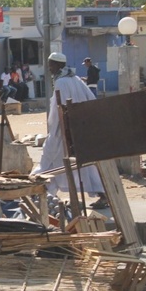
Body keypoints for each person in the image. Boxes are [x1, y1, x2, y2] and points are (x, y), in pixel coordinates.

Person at [31, 52, 108, 209]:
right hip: (78, 129)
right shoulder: (75, 79)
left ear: (59, 65)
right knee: (82, 163)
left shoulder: (61, 83)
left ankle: (40, 190)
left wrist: (54, 125)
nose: (49, 68)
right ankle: (44, 191)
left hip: (63, 130)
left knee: (49, 156)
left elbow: (57, 108)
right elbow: (90, 100)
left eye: (51, 64)